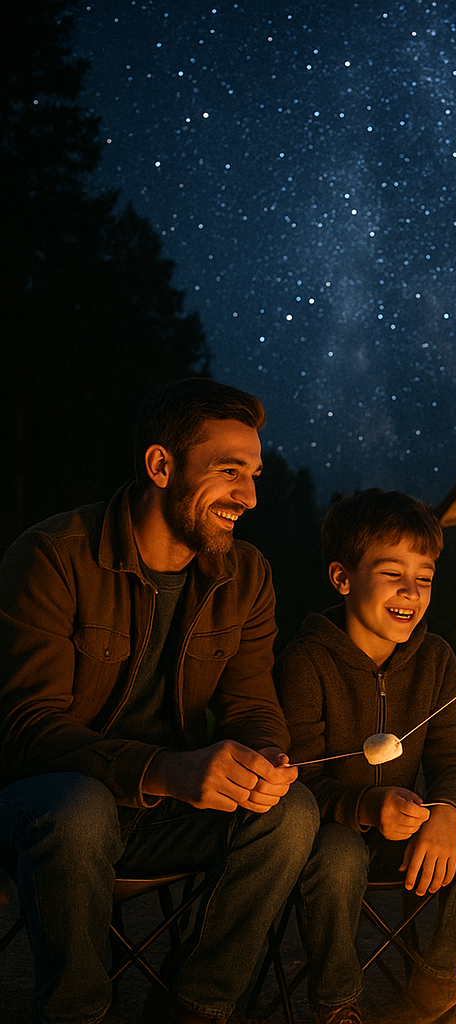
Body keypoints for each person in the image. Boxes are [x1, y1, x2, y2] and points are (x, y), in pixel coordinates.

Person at [0, 378, 319, 1024]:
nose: (250, 497)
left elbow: (252, 706)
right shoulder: (50, 557)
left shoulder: (246, 575)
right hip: (45, 806)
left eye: (254, 474)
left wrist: (266, 758)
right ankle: (76, 1013)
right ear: (160, 466)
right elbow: (25, 731)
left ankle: (194, 1006)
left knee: (293, 813)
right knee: (80, 806)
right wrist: (165, 770)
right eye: (230, 472)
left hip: (167, 809)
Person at [275, 488, 456, 1024]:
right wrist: (368, 804)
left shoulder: (436, 659)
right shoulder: (307, 662)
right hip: (330, 834)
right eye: (391, 574)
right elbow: (297, 781)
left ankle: (441, 979)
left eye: (424, 577)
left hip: (409, 835)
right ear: (342, 577)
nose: (411, 592)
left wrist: (446, 812)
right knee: (337, 852)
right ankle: (336, 1000)